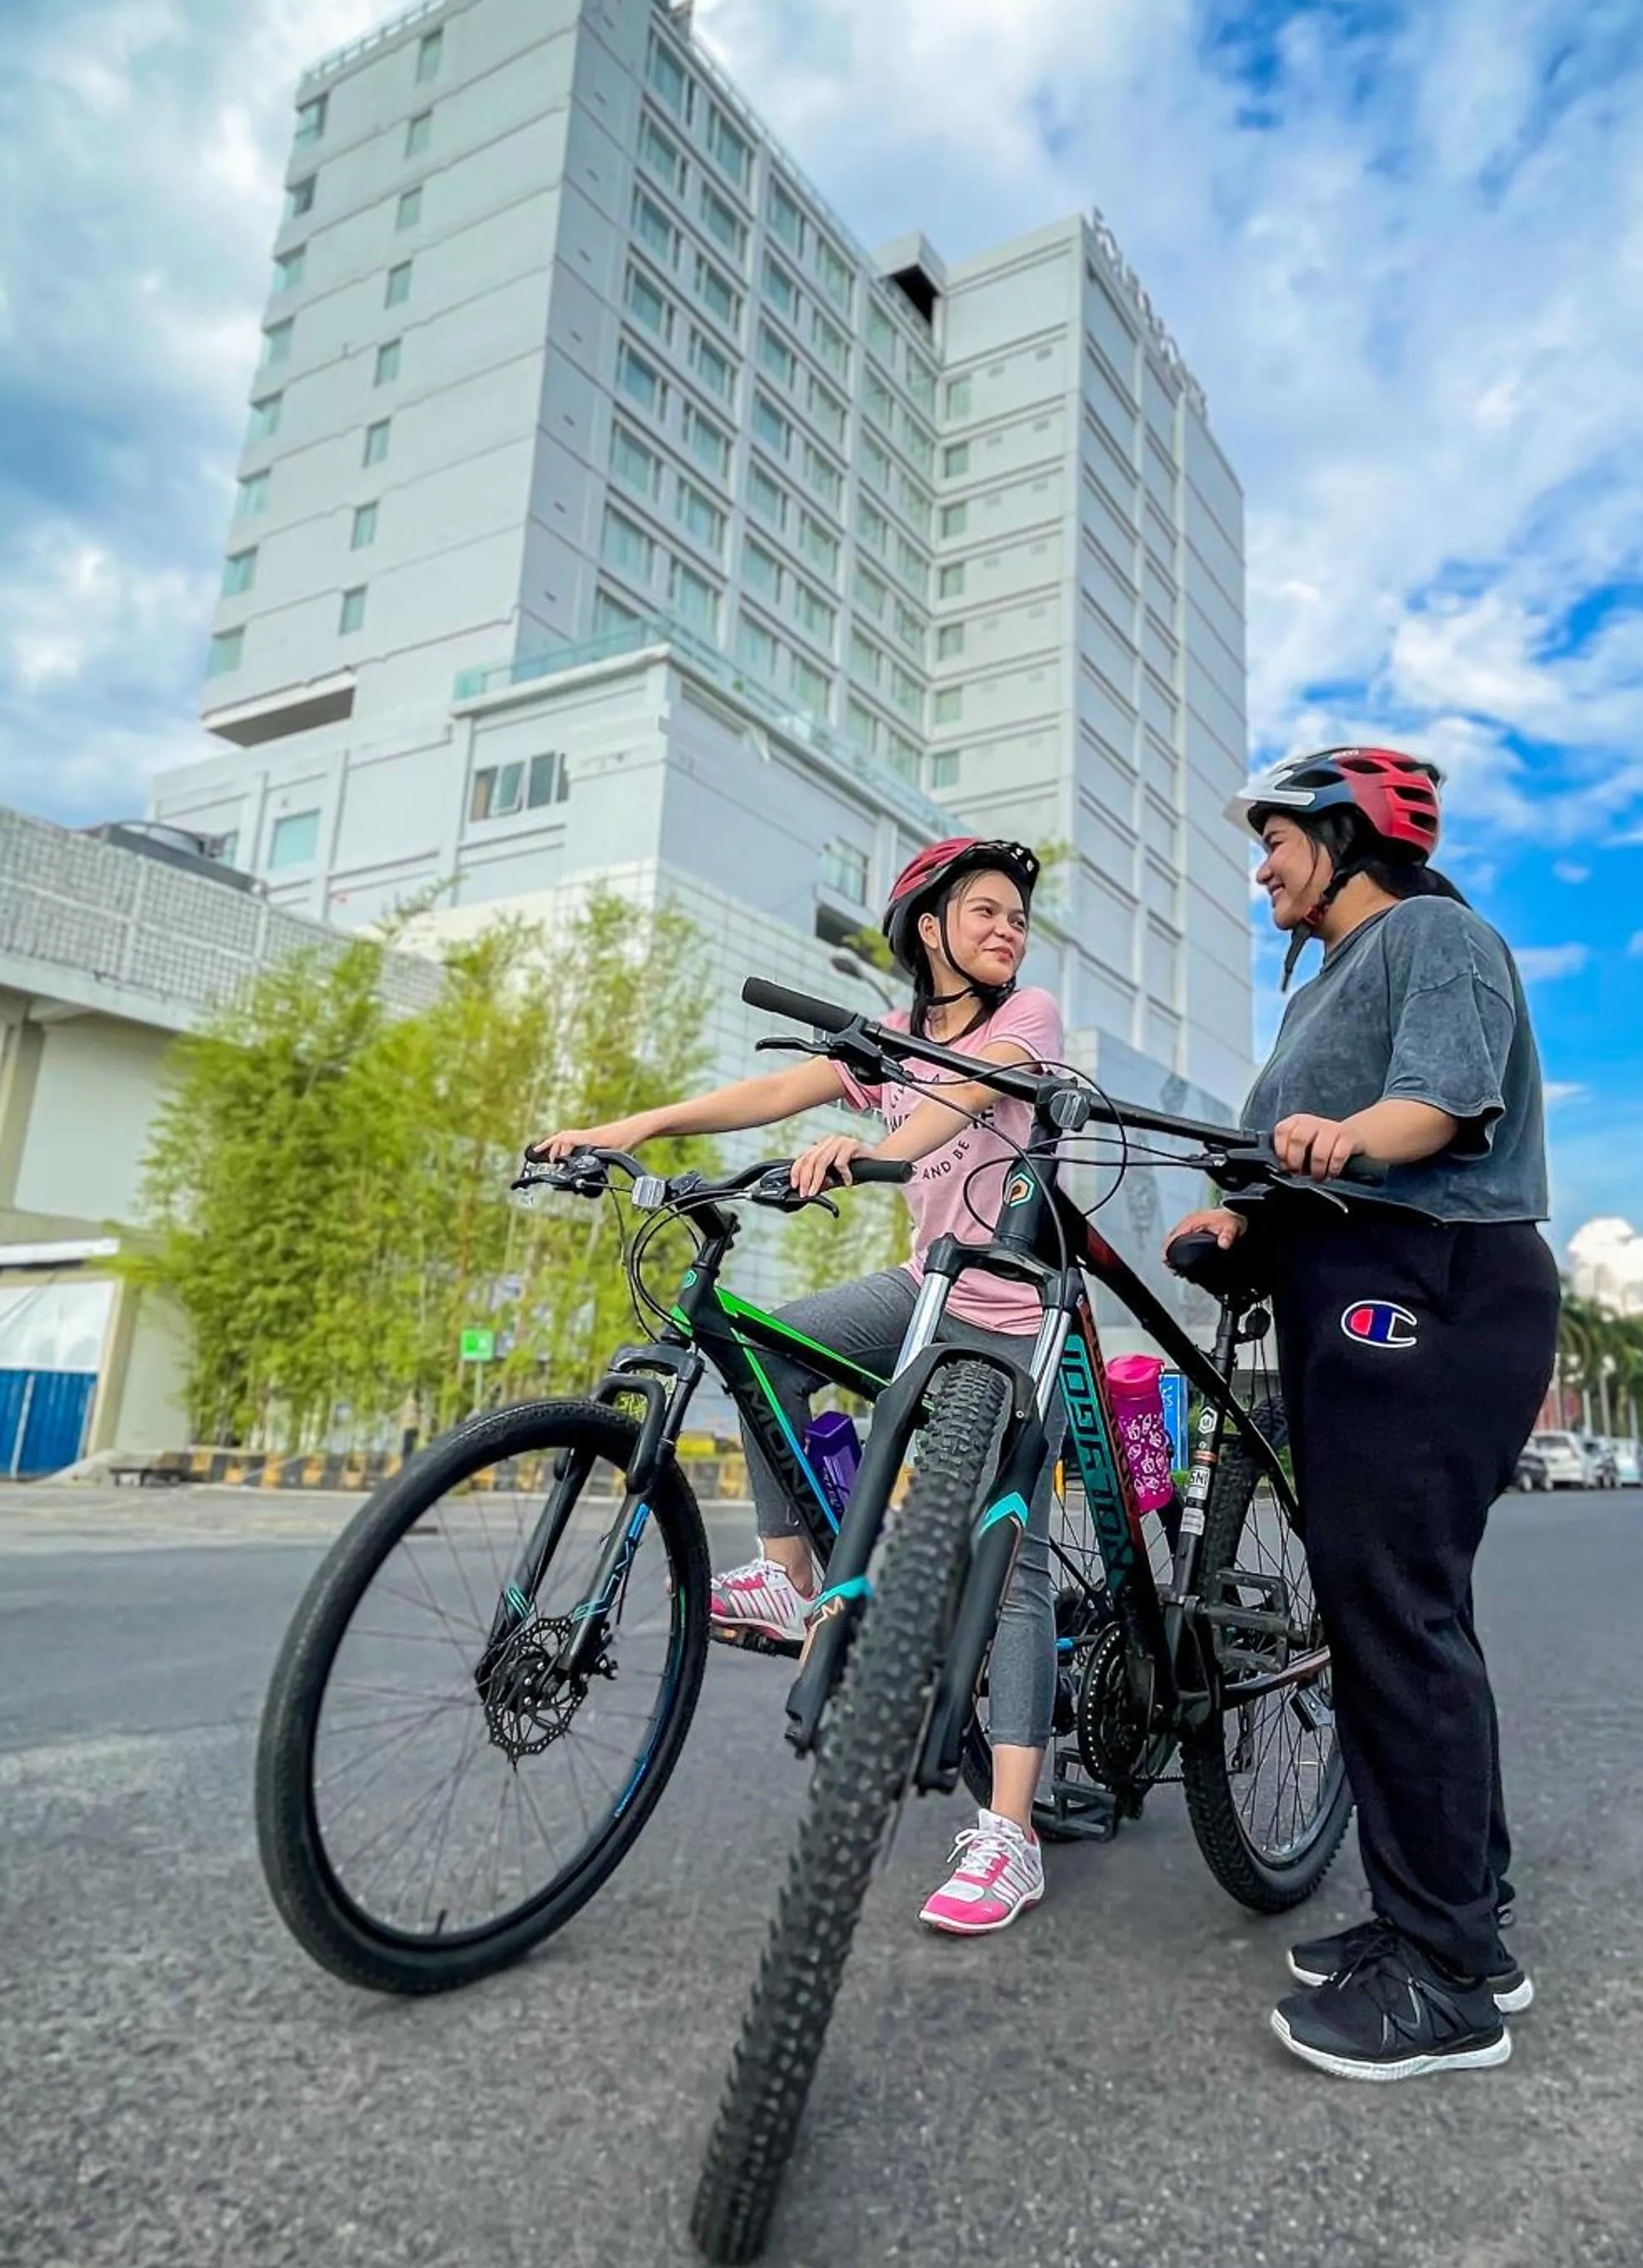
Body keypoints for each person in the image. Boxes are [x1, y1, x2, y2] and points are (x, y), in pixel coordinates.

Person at [532, 837, 1065, 1937]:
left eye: (1017, 914)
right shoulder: (895, 1039)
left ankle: (1008, 1832)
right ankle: (787, 1575)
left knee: (1005, 1563)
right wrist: (630, 1127)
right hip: (922, 1287)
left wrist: (870, 1154)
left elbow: (962, 1102)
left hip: (1014, 1312)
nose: (1009, 927)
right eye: (985, 910)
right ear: (929, 929)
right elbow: (776, 1088)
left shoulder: (1029, 1020)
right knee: (769, 1348)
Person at [1164, 746, 1560, 2080]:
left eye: (1275, 840)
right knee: (1388, 1604)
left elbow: (1436, 1103)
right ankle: (1462, 1921)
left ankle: (1444, 1983)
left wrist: (1349, 1137)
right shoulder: (1325, 987)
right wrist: (1238, 1215)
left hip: (1433, 1284)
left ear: (1347, 835)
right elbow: (1287, 1148)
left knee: (1394, 1606)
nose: (1262, 867)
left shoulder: (1432, 936)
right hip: (1352, 1289)